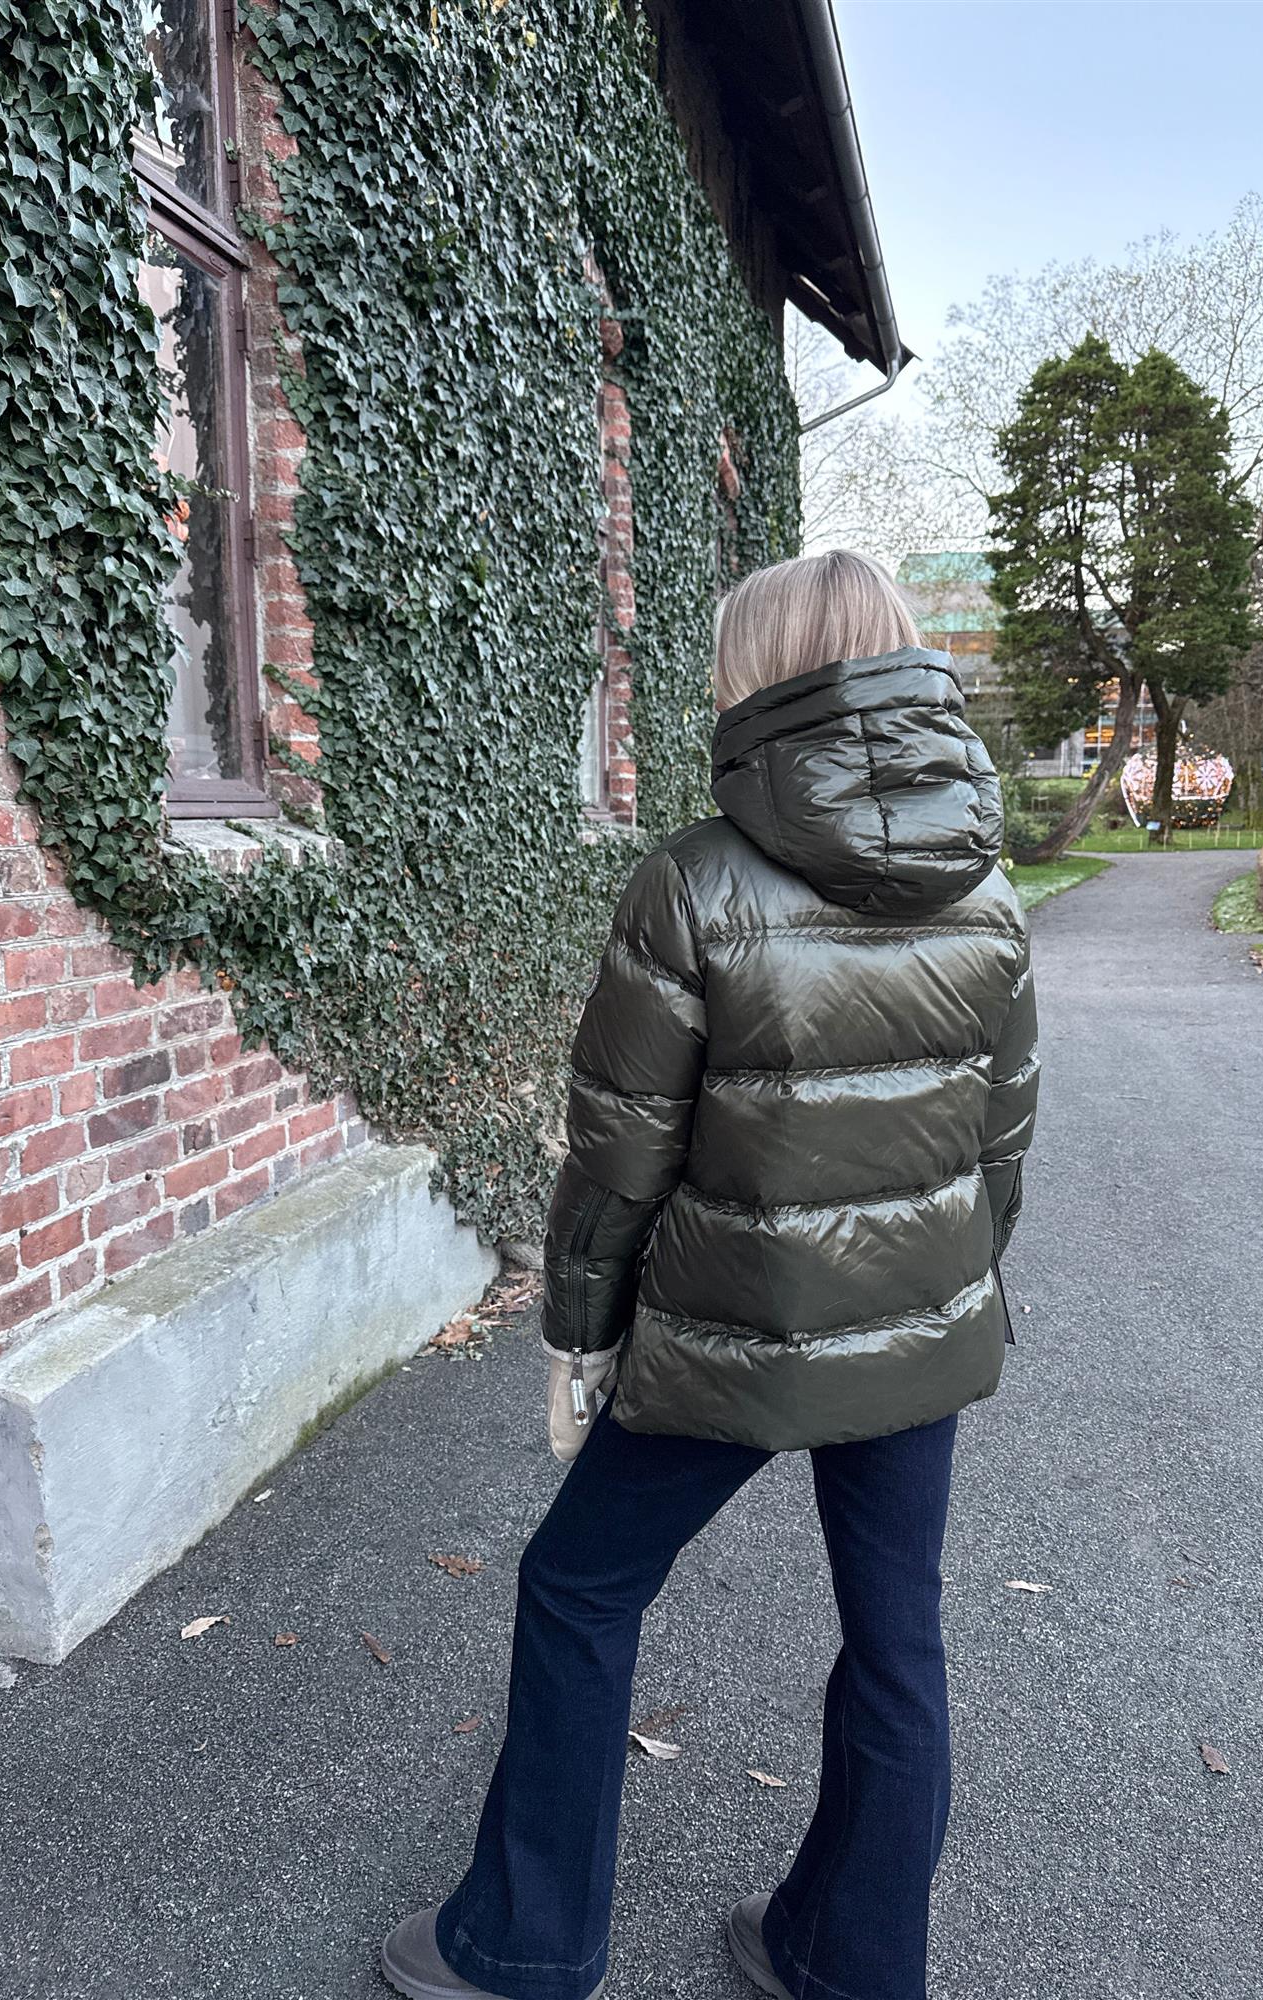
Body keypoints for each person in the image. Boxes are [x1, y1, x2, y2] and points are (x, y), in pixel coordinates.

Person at [381, 550, 1039, 2000]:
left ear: (759, 678)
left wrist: (580, 1335)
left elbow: (621, 1153)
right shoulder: (989, 886)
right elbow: (1001, 1144)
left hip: (730, 1327)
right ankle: (850, 1964)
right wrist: (951, 1298)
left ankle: (524, 1943)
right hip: (918, 1326)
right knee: (898, 1642)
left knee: (576, 1588)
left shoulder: (694, 881)